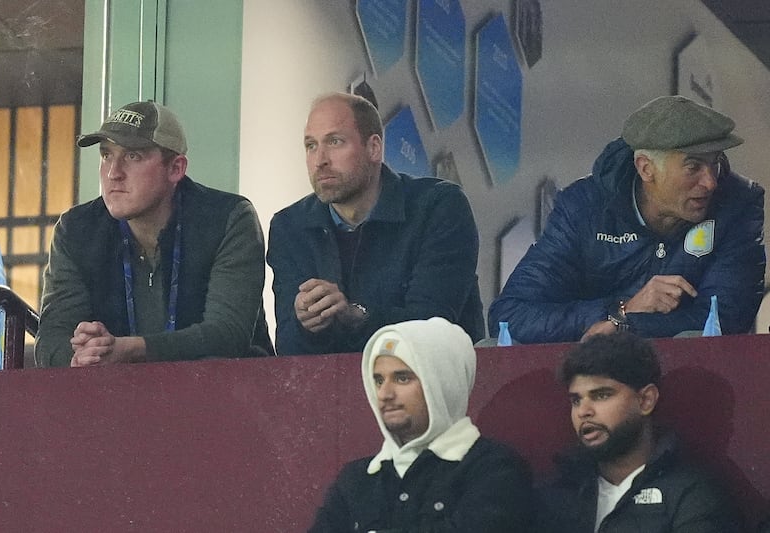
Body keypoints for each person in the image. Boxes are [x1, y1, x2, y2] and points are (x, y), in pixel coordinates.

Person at [489, 95, 765, 343]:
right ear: (646, 168)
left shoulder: (738, 203)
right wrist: (623, 309)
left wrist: (623, 326)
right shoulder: (584, 208)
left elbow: (722, 322)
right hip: (589, 380)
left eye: (715, 163)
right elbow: (510, 318)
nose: (710, 182)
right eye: (693, 167)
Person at [35, 101, 273, 366]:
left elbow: (227, 336)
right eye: (106, 155)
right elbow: (50, 340)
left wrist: (130, 350)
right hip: (117, 399)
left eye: (132, 156)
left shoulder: (227, 218)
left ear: (176, 169)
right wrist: (81, 355)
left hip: (227, 394)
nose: (113, 173)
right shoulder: (77, 230)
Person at [267, 92, 484, 356]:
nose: (320, 160)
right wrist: (307, 326)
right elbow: (287, 351)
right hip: (327, 391)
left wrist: (355, 316)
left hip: (430, 388)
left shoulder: (438, 207)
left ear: (374, 148)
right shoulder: (290, 227)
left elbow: (432, 325)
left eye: (335, 142)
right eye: (311, 145)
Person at [309, 317, 533, 531]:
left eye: (402, 378)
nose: (385, 394)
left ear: (442, 382)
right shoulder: (356, 479)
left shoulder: (494, 469)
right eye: (378, 380)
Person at [537, 332, 742, 532]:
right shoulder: (555, 493)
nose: (584, 411)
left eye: (601, 395)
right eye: (576, 400)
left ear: (645, 400)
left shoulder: (691, 494)